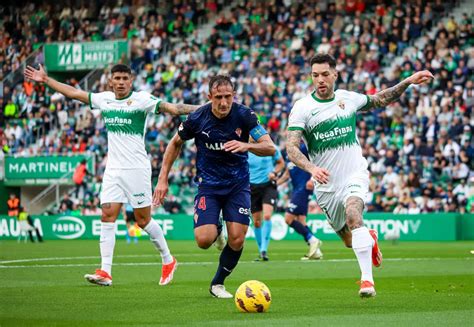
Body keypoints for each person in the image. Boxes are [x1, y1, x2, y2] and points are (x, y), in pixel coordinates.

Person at [25, 63, 200, 286]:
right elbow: (75, 93)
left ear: (131, 80)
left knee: (142, 220)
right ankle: (105, 272)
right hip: (113, 169)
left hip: (136, 168)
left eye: (124, 78)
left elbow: (174, 109)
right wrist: (47, 80)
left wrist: (205, 107)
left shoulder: (142, 100)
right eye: (116, 78)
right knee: (107, 215)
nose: (120, 82)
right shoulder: (104, 99)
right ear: (110, 81)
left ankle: (168, 260)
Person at [286, 53, 434, 297]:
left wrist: (407, 81)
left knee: (354, 214)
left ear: (335, 74)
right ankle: (369, 238)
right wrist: (312, 169)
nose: (320, 80)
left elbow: (380, 99)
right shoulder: (303, 108)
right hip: (326, 185)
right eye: (315, 75)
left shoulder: (348, 98)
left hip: (354, 173)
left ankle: (367, 281)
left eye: (325, 74)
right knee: (348, 239)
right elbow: (291, 146)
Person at [153, 75, 276, 298]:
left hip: (238, 186)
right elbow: (175, 143)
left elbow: (270, 147)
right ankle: (217, 227)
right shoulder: (197, 117)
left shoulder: (245, 115)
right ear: (209, 97)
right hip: (208, 186)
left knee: (237, 238)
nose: (223, 102)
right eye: (218, 97)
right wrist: (163, 179)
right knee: (203, 241)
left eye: (228, 96)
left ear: (234, 96)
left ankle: (217, 284)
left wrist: (245, 145)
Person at [248, 138, 285, 261]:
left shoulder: (270, 146)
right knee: (257, 222)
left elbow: (281, 163)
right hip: (252, 187)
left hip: (268, 185)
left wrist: (274, 172)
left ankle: (264, 250)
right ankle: (260, 250)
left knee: (267, 216)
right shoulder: (245, 148)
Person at [285, 142, 323, 260]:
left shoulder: (303, 148)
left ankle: (313, 240)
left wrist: (312, 178)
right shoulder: (288, 152)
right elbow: (287, 174)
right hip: (297, 189)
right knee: (301, 221)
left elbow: (317, 160)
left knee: (288, 218)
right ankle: (316, 251)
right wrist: (276, 181)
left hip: (303, 188)